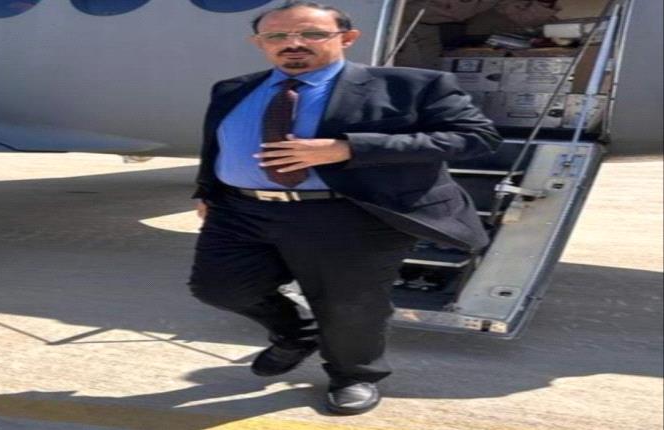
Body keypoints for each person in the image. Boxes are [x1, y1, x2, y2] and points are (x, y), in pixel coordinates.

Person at [188, 1, 501, 415]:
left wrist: (348, 148)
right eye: (277, 36)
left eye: (312, 34)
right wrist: (207, 191)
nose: (293, 44)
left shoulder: (411, 85)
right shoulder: (232, 89)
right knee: (219, 288)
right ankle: (297, 333)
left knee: (349, 304)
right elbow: (217, 145)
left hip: (347, 212)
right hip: (242, 211)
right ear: (260, 43)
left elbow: (476, 137)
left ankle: (353, 375)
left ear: (347, 38)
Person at [398, 0, 561, 69]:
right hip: (396, 18)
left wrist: (545, 3)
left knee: (425, 77)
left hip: (428, 26)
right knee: (406, 73)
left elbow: (520, 16)